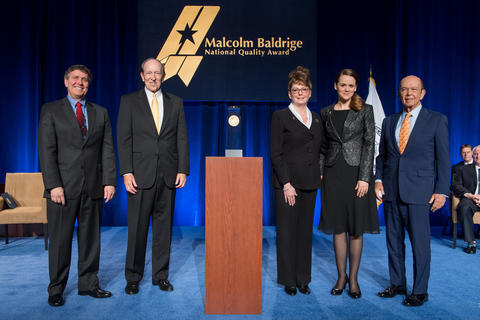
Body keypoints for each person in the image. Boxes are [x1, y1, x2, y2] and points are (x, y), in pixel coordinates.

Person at [38, 65, 116, 307]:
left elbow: (107, 149)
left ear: (88, 84)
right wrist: (53, 185)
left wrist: (109, 181)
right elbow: (46, 151)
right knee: (60, 241)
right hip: (62, 189)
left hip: (93, 187)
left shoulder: (100, 112)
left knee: (91, 240)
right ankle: (56, 289)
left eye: (84, 79)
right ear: (66, 82)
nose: (80, 82)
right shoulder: (51, 110)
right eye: (75, 78)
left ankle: (89, 284)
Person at [375, 75, 450, 307]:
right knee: (393, 242)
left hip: (419, 193)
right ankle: (397, 283)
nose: (409, 93)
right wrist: (378, 179)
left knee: (420, 244)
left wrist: (441, 191)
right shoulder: (389, 121)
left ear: (423, 93)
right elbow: (383, 156)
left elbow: (443, 160)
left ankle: (420, 290)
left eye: (414, 89)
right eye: (404, 89)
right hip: (391, 193)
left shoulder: (436, 120)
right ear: (399, 92)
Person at [117, 58, 189, 295]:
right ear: (141, 76)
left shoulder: (175, 102)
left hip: (168, 175)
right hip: (139, 176)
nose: (153, 77)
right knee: (137, 230)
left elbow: (181, 138)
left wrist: (183, 169)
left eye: (157, 73)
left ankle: (161, 276)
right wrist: (126, 171)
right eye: (149, 73)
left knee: (163, 230)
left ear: (163, 76)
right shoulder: (129, 102)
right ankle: (133, 277)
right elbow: (124, 139)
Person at [318, 69, 379, 299]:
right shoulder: (325, 113)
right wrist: (321, 172)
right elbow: (323, 147)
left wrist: (365, 177)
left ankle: (353, 280)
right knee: (338, 227)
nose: (346, 89)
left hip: (357, 176)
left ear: (356, 88)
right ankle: (340, 277)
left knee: (355, 227)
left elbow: (369, 144)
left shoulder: (365, 110)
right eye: (342, 85)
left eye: (351, 85)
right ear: (335, 86)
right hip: (333, 174)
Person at [270, 66, 324, 296]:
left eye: (304, 89)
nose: (300, 92)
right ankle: (289, 280)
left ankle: (303, 279)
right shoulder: (280, 116)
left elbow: (322, 150)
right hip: (288, 185)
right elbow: (276, 153)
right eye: (295, 89)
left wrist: (320, 172)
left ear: (310, 92)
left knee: (304, 233)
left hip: (310, 184)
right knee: (287, 232)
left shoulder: (318, 119)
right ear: (289, 93)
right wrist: (286, 184)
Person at [453, 145, 480, 254]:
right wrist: (470, 195)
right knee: (464, 207)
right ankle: (471, 242)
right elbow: (457, 186)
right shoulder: (463, 169)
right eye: (476, 154)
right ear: (473, 156)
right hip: (471, 199)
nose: (478, 156)